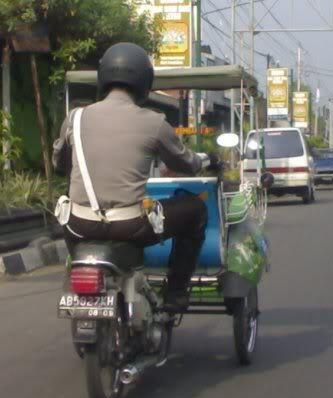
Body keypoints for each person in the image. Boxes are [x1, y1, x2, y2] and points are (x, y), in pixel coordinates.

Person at [52, 42, 215, 312]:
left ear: (103, 77)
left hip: (79, 225)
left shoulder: (75, 118)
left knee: (67, 212)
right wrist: (210, 159)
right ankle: (175, 292)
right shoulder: (154, 122)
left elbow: (60, 162)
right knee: (195, 209)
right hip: (129, 226)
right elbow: (187, 164)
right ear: (143, 81)